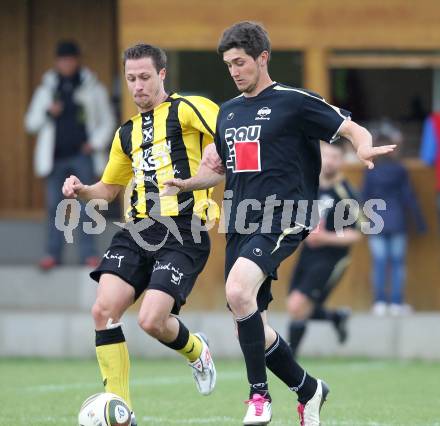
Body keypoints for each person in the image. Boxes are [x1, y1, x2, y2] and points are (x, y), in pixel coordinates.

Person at [162, 21, 395, 426]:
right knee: (249, 323)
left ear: (262, 58)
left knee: (237, 290)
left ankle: (258, 397)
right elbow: (221, 169)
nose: (234, 71)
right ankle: (309, 390)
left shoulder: (293, 101)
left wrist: (363, 144)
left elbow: (349, 127)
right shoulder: (229, 113)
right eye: (228, 64)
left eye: (240, 62)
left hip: (286, 214)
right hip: (239, 220)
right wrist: (190, 181)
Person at [62, 43, 218, 425]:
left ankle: (197, 350)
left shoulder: (188, 108)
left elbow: (229, 137)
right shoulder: (126, 133)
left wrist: (216, 160)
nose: (138, 86)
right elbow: (108, 189)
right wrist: (82, 190)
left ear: (162, 74)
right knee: (103, 310)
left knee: (152, 321)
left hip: (185, 229)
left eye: (145, 77)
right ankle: (121, 412)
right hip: (137, 230)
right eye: (131, 79)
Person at [25, 40, 115, 270]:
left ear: (77, 60)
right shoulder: (47, 88)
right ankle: (52, 254)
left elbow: (107, 122)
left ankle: (89, 255)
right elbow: (31, 123)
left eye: (70, 59)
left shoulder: (92, 87)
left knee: (87, 207)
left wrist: (93, 144)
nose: (66, 64)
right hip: (55, 159)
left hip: (82, 156)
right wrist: (48, 112)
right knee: (55, 207)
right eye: (62, 60)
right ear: (57, 62)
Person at [287, 142, 362, 358]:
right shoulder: (309, 186)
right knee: (297, 307)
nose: (329, 162)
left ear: (342, 160)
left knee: (297, 305)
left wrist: (325, 237)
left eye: (335, 157)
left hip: (332, 258)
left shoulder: (347, 193)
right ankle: (336, 317)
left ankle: (290, 360)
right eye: (326, 156)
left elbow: (357, 233)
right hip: (307, 254)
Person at [363, 133, 426, 316]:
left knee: (379, 263)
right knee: (397, 263)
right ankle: (397, 303)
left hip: (376, 221)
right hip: (397, 220)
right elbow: (409, 198)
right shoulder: (400, 170)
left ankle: (380, 303)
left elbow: (364, 196)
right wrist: (420, 224)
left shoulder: (370, 170)